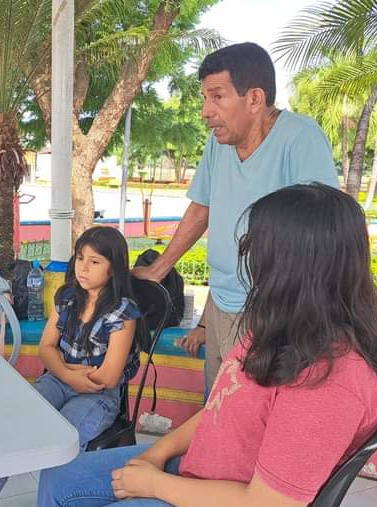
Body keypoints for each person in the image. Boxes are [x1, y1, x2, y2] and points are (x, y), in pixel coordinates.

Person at [30, 184, 377, 507]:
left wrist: (156, 485)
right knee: (61, 480)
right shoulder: (282, 329)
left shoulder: (331, 381)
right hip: (198, 473)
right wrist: (158, 452)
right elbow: (221, 409)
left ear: (291, 267)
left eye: (256, 250)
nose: (248, 262)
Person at [133, 43, 339, 394]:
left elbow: (325, 229)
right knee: (215, 408)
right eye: (204, 98)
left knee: (248, 412)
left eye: (217, 97)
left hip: (272, 313)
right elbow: (202, 208)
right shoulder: (219, 143)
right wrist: (159, 270)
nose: (205, 111)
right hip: (221, 302)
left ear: (255, 98)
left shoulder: (301, 138)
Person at [0, 226, 144, 507]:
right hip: (60, 379)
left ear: (114, 268)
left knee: (60, 449)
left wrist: (63, 368)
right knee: (6, 432)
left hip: (98, 396)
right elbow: (45, 348)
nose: (83, 267)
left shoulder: (122, 313)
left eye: (94, 262)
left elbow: (106, 377)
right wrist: (66, 373)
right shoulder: (67, 297)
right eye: (80, 258)